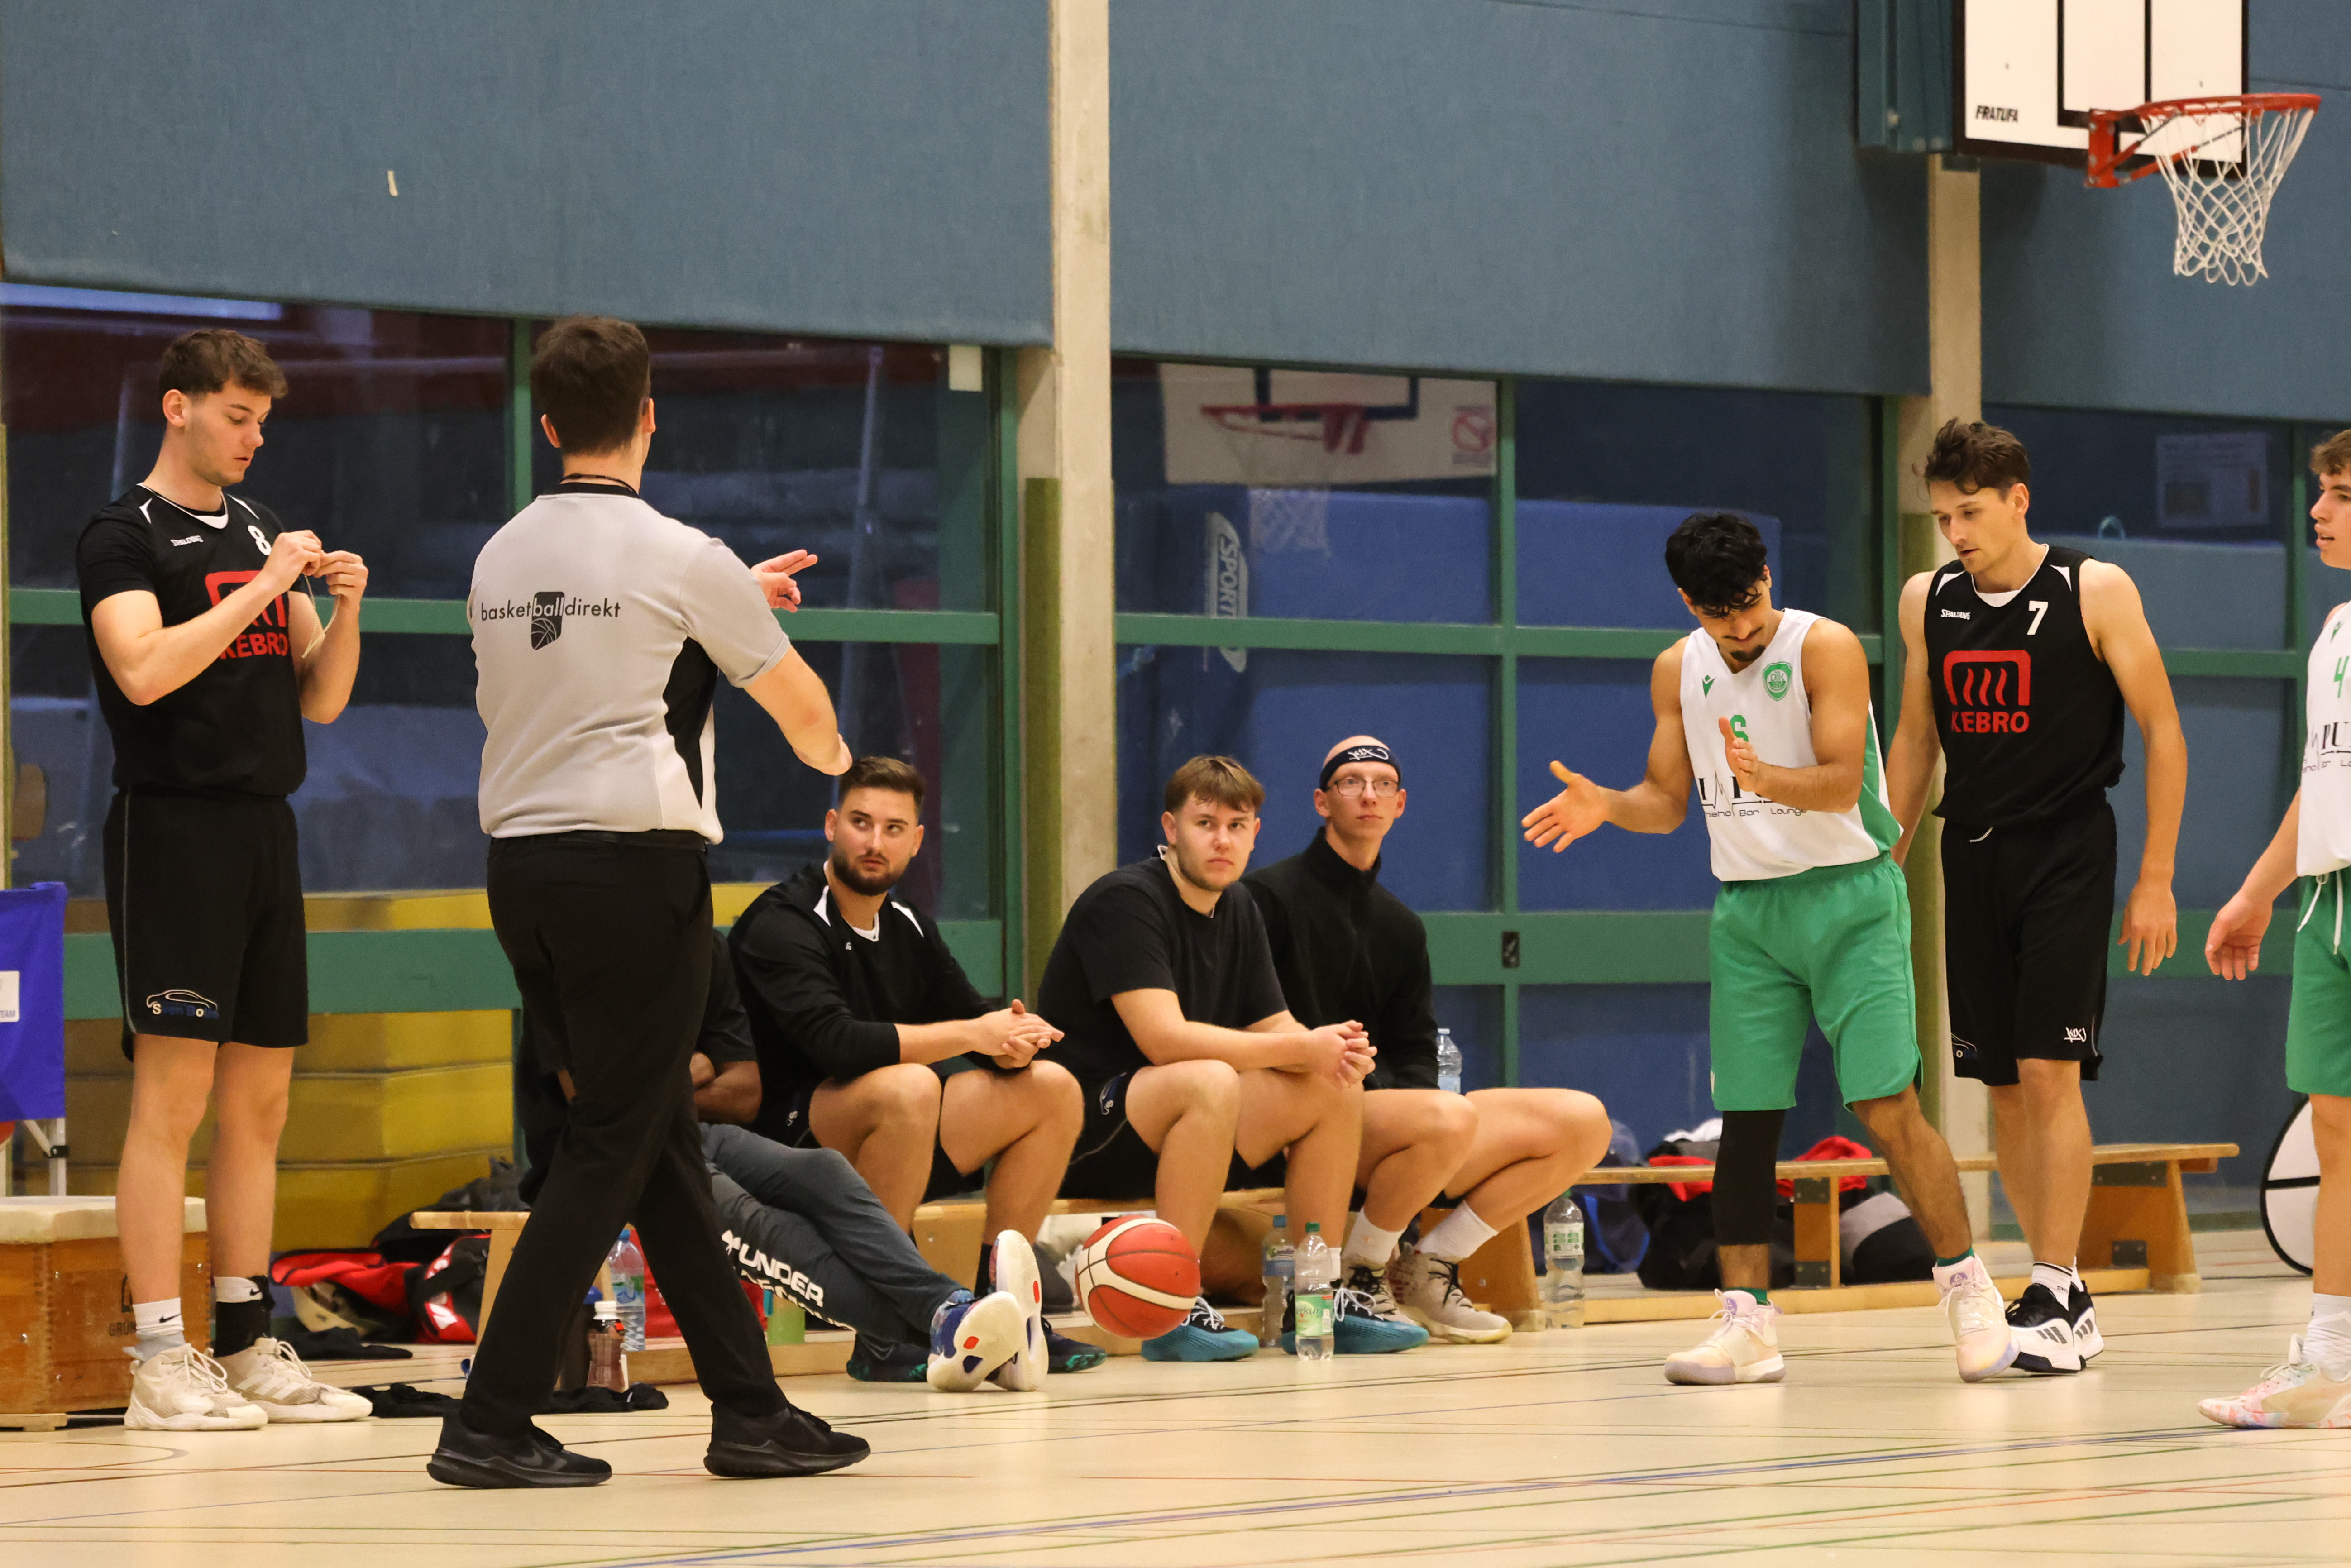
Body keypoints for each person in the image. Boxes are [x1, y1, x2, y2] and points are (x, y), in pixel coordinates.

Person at [430, 315, 868, 1488]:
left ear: (547, 423)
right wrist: (835, 754)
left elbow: (584, 652)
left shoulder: (499, 556)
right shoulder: (681, 556)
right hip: (633, 872)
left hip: (523, 870)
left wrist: (725, 606)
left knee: (655, 1139)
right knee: (611, 1143)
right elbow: (806, 717)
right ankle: (489, 1418)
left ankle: (750, 1410)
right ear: (651, 416)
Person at [1522, 511, 2015, 1386]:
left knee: (1884, 1103)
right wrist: (1608, 804)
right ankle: (1745, 1322)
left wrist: (1759, 777)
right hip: (1748, 910)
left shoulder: (1823, 647)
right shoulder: (1676, 668)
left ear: (1766, 579)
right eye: (1720, 613)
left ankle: (1967, 1289)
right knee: (1745, 1118)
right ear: (1689, 604)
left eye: (1749, 601)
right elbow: (1665, 801)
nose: (1741, 625)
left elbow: (1839, 782)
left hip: (1850, 898)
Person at [79, 328, 373, 1430]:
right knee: (174, 1099)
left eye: (263, 420)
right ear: (179, 408)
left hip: (264, 831)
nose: (254, 437)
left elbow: (321, 697)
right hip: (173, 831)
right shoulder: (121, 533)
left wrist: (344, 605)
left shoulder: (255, 528)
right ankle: (162, 1357)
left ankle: (249, 1341)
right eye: (238, 416)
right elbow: (143, 668)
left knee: (262, 1100)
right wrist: (266, 584)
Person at [1885, 419, 2185, 1375]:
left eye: (1969, 512)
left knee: (2049, 1071)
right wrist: (1881, 860)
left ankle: (2056, 1286)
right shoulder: (1926, 599)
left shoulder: (2093, 589)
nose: (1954, 532)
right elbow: (1914, 740)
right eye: (1942, 516)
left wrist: (2154, 877)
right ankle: (2056, 1288)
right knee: (2003, 1087)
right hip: (1969, 854)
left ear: (2017, 500)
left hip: (2066, 848)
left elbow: (2162, 730)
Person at [513, 932, 1061, 1394]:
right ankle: (959, 1328)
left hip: (690, 1131)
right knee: (762, 1224)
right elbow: (602, 1104)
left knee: (824, 1171)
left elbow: (744, 1091)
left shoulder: (700, 947)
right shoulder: (571, 959)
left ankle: (957, 1315)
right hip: (604, 1159)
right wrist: (693, 1068)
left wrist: (667, 1076)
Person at [1042, 755, 1425, 1360]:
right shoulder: (1126, 900)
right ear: (1171, 828)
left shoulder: (1238, 906)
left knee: (1331, 1084)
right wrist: (1298, 1046)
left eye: (1236, 826)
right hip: (1085, 1128)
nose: (1222, 840)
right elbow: (1164, 1040)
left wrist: (1331, 1051)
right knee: (1209, 1080)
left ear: (1255, 834)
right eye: (1206, 824)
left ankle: (1315, 1300)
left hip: (1182, 1122)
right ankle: (1171, 1305)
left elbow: (1276, 1025)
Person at [726, 756, 1099, 1374]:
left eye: (893, 828)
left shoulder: (906, 926)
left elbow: (970, 1016)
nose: (875, 842)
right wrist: (973, 1032)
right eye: (861, 823)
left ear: (917, 840)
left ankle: (1002, 1311)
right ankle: (881, 1330)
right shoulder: (783, 920)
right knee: (909, 1088)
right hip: (782, 1143)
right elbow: (836, 1045)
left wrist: (1011, 1040)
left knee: (1052, 1089)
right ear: (831, 825)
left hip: (891, 1136)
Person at [1247, 736, 1614, 1343]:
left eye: (1383, 785)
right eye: (1350, 783)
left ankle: (1428, 1266)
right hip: (1304, 1125)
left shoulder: (1399, 924)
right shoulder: (1267, 897)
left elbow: (1416, 1047)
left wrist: (1418, 1128)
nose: (1368, 795)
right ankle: (1360, 1275)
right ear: (1321, 801)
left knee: (1583, 1122)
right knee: (1444, 1117)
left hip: (1395, 1127)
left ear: (1400, 804)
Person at [2199, 431, 2351, 1428]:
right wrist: (2256, 891)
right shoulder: (2334, 629)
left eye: (2338, 493)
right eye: (2319, 491)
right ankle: (2329, 1358)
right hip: (2326, 902)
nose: (2317, 511)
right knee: (2335, 1129)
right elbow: (2320, 780)